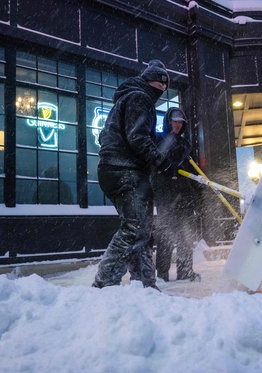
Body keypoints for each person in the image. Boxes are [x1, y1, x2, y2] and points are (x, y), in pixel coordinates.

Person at [92, 60, 171, 290]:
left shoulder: (126, 99)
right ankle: (105, 282)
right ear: (150, 80)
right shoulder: (140, 98)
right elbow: (137, 137)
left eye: (166, 87)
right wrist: (158, 159)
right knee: (135, 227)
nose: (162, 90)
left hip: (115, 170)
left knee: (141, 230)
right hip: (125, 170)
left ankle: (146, 284)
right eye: (160, 83)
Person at [153, 107, 201, 282]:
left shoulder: (185, 145)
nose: (178, 125)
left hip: (184, 196)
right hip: (166, 197)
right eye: (174, 121)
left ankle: (185, 271)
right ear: (168, 121)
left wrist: (197, 194)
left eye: (181, 122)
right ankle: (162, 275)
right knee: (166, 236)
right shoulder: (159, 141)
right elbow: (154, 167)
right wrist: (167, 168)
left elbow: (193, 170)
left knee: (186, 235)